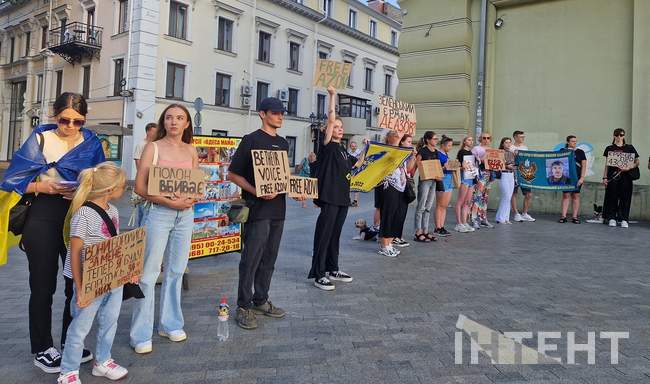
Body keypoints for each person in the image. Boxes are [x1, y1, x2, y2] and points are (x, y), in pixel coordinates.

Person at [0, 92, 104, 373]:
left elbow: (102, 178)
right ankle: (42, 347)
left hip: (78, 213)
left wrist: (85, 191)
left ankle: (72, 340)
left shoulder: (91, 143)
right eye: (64, 120)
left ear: (84, 120)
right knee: (43, 283)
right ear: (54, 115)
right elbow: (11, 181)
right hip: (42, 211)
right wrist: (42, 187)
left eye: (77, 121)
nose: (70, 126)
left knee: (77, 282)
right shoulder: (40, 140)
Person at [130, 104, 198, 353]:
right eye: (169, 118)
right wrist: (170, 201)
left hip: (186, 216)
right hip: (159, 213)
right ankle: (140, 334)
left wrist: (192, 198)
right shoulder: (153, 147)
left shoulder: (191, 150)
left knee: (176, 271)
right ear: (163, 122)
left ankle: (170, 324)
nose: (174, 122)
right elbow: (140, 186)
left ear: (187, 124)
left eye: (179, 118)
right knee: (148, 274)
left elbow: (195, 182)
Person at [57, 162, 130, 384]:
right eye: (122, 186)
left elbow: (115, 245)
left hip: (112, 279)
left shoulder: (114, 211)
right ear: (110, 190)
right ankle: (68, 371)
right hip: (88, 281)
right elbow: (75, 252)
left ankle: (103, 361)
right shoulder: (84, 215)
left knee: (110, 321)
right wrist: (80, 289)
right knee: (79, 328)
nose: (124, 189)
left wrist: (127, 272)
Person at [227, 97, 293, 329]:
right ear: (262, 114)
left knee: (269, 259)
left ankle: (261, 300)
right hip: (257, 209)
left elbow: (283, 176)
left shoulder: (284, 143)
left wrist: (297, 189)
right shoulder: (251, 140)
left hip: (279, 210)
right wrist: (256, 190)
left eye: (282, 112)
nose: (280, 116)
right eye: (275, 113)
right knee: (251, 259)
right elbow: (233, 174)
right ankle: (243, 306)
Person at [309, 86, 364, 291]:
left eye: (341, 127)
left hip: (342, 199)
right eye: (336, 126)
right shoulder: (327, 145)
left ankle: (333, 268)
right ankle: (319, 273)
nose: (339, 129)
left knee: (335, 234)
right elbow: (331, 119)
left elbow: (357, 163)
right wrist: (332, 96)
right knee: (324, 234)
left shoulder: (342, 150)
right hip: (329, 197)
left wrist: (372, 149)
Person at [377, 131, 415, 257]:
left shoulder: (402, 152)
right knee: (388, 214)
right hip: (389, 185)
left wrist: (412, 155)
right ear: (390, 139)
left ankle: (390, 243)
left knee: (396, 215)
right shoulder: (387, 150)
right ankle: (384, 244)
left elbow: (408, 168)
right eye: (396, 136)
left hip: (401, 185)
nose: (398, 138)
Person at [602, 128, 639, 228]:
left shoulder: (630, 147)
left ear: (624, 136)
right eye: (617, 135)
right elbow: (607, 165)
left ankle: (624, 219)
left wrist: (629, 167)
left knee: (625, 197)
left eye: (621, 135)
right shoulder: (609, 148)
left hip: (626, 177)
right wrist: (604, 177)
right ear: (614, 136)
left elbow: (637, 161)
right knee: (612, 197)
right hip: (613, 176)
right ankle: (612, 218)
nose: (619, 137)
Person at [413, 131, 439, 242]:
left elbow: (437, 165)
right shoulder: (422, 151)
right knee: (421, 206)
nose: (436, 141)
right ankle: (418, 232)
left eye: (436, 139)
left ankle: (425, 231)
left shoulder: (436, 152)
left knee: (428, 207)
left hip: (434, 180)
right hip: (425, 180)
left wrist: (438, 174)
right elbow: (417, 164)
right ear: (428, 140)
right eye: (434, 139)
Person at [132, 122, 159, 226]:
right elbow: (139, 165)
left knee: (150, 212)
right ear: (148, 131)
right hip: (145, 181)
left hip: (154, 181)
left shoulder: (156, 145)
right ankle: (141, 234)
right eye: (154, 131)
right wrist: (145, 178)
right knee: (143, 210)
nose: (156, 133)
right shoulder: (141, 145)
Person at [559, 135, 587, 223]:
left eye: (575, 141)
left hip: (577, 177)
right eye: (572, 141)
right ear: (568, 142)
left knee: (576, 196)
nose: (574, 143)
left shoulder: (580, 152)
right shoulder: (563, 151)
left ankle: (575, 217)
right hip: (565, 177)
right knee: (566, 195)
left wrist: (582, 178)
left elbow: (584, 165)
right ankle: (563, 216)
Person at [470, 133, 495, 229]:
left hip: (490, 174)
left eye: (488, 138)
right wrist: (483, 158)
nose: (486, 139)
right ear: (480, 139)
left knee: (485, 197)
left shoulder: (492, 150)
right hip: (480, 174)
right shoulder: (476, 149)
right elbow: (473, 161)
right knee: (477, 196)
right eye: (484, 138)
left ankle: (483, 218)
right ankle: (473, 218)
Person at [510, 130, 535, 222]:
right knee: (514, 193)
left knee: (529, 194)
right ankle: (516, 213)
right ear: (515, 137)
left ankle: (525, 213)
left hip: (525, 173)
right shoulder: (511, 147)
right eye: (521, 137)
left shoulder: (525, 147)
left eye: (523, 137)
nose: (523, 138)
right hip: (514, 172)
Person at [433, 136, 455, 237]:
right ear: (443, 145)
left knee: (445, 205)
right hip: (442, 178)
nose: (450, 147)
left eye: (451, 145)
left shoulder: (445, 154)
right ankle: (437, 227)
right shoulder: (437, 154)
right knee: (440, 204)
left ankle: (442, 226)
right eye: (449, 145)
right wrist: (443, 166)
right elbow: (434, 168)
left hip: (448, 178)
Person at [454, 136, 476, 233]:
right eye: (469, 140)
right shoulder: (461, 152)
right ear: (464, 141)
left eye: (472, 140)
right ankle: (459, 223)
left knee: (467, 202)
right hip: (465, 177)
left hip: (471, 177)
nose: (471, 142)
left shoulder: (471, 153)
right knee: (461, 201)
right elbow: (458, 165)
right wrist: (462, 167)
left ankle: (464, 222)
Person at [495, 137, 517, 224]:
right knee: (506, 196)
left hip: (511, 175)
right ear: (502, 144)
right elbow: (499, 164)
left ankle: (506, 218)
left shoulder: (512, 153)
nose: (508, 144)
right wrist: (507, 166)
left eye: (509, 142)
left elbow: (515, 164)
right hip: (503, 174)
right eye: (506, 142)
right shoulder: (499, 152)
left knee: (509, 196)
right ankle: (500, 217)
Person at [348, 140, 363, 207]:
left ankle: (355, 201)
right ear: (350, 147)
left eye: (354, 146)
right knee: (349, 184)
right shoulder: (349, 152)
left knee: (356, 185)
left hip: (357, 170)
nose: (353, 147)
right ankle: (349, 200)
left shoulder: (359, 152)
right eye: (352, 146)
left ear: (356, 146)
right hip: (350, 170)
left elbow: (361, 160)